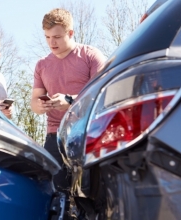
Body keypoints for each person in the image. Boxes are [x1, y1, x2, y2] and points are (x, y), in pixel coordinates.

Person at [30, 8, 106, 216]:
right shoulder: (42, 65)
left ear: (70, 33)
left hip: (87, 135)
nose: (51, 42)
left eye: (56, 37)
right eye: (46, 37)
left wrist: (71, 101)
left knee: (92, 198)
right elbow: (34, 103)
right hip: (54, 137)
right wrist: (41, 105)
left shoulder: (91, 56)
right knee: (56, 197)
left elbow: (102, 96)